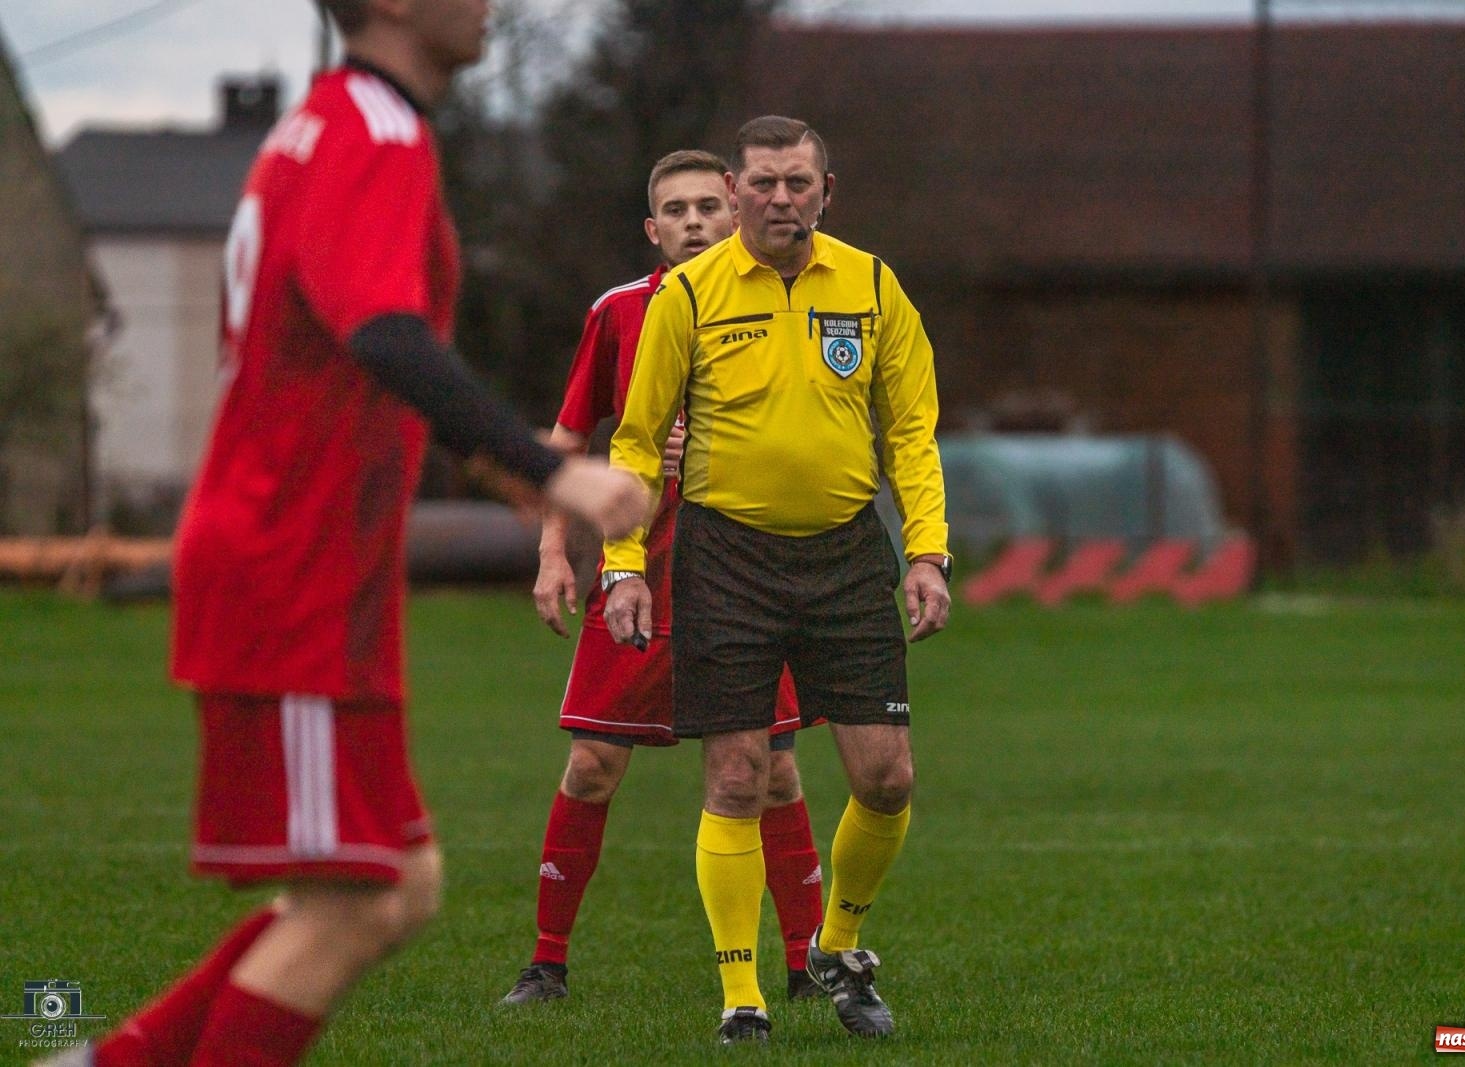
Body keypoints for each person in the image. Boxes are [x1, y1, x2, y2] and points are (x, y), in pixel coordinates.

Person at [59, 2, 647, 1065]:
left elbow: (339, 337)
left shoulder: (341, 125)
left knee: (396, 885)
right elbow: (380, 330)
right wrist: (550, 466)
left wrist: (489, 469)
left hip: (314, 569)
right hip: (291, 564)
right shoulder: (371, 132)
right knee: (349, 902)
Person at [604, 116, 952, 1045]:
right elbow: (636, 442)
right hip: (727, 556)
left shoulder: (874, 285)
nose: (781, 199)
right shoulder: (691, 293)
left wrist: (926, 551)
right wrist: (625, 564)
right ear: (736, 185)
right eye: (763, 183)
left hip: (845, 553)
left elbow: (910, 432)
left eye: (799, 183)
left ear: (826, 191)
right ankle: (742, 993)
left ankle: (838, 949)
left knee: (886, 778)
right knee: (737, 775)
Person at [499, 150, 825, 1006]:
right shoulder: (619, 313)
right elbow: (567, 444)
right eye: (673, 209)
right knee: (594, 763)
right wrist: (549, 554)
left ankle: (806, 962)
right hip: (637, 569)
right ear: (653, 228)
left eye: (707, 207)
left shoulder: (789, 301)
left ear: (735, 214)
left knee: (775, 772)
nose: (691, 221)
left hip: (754, 576)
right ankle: (546, 961)